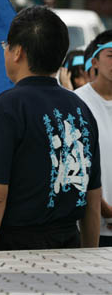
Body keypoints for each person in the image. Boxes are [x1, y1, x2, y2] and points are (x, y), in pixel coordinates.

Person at [0, 5, 102, 251]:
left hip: (19, 250)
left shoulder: (6, 108)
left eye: (5, 46)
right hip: (71, 248)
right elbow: (92, 199)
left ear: (18, 52)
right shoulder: (81, 109)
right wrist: (89, 258)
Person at [75, 30, 112, 248]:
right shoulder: (77, 101)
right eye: (111, 55)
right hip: (90, 224)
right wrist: (102, 206)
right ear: (95, 62)